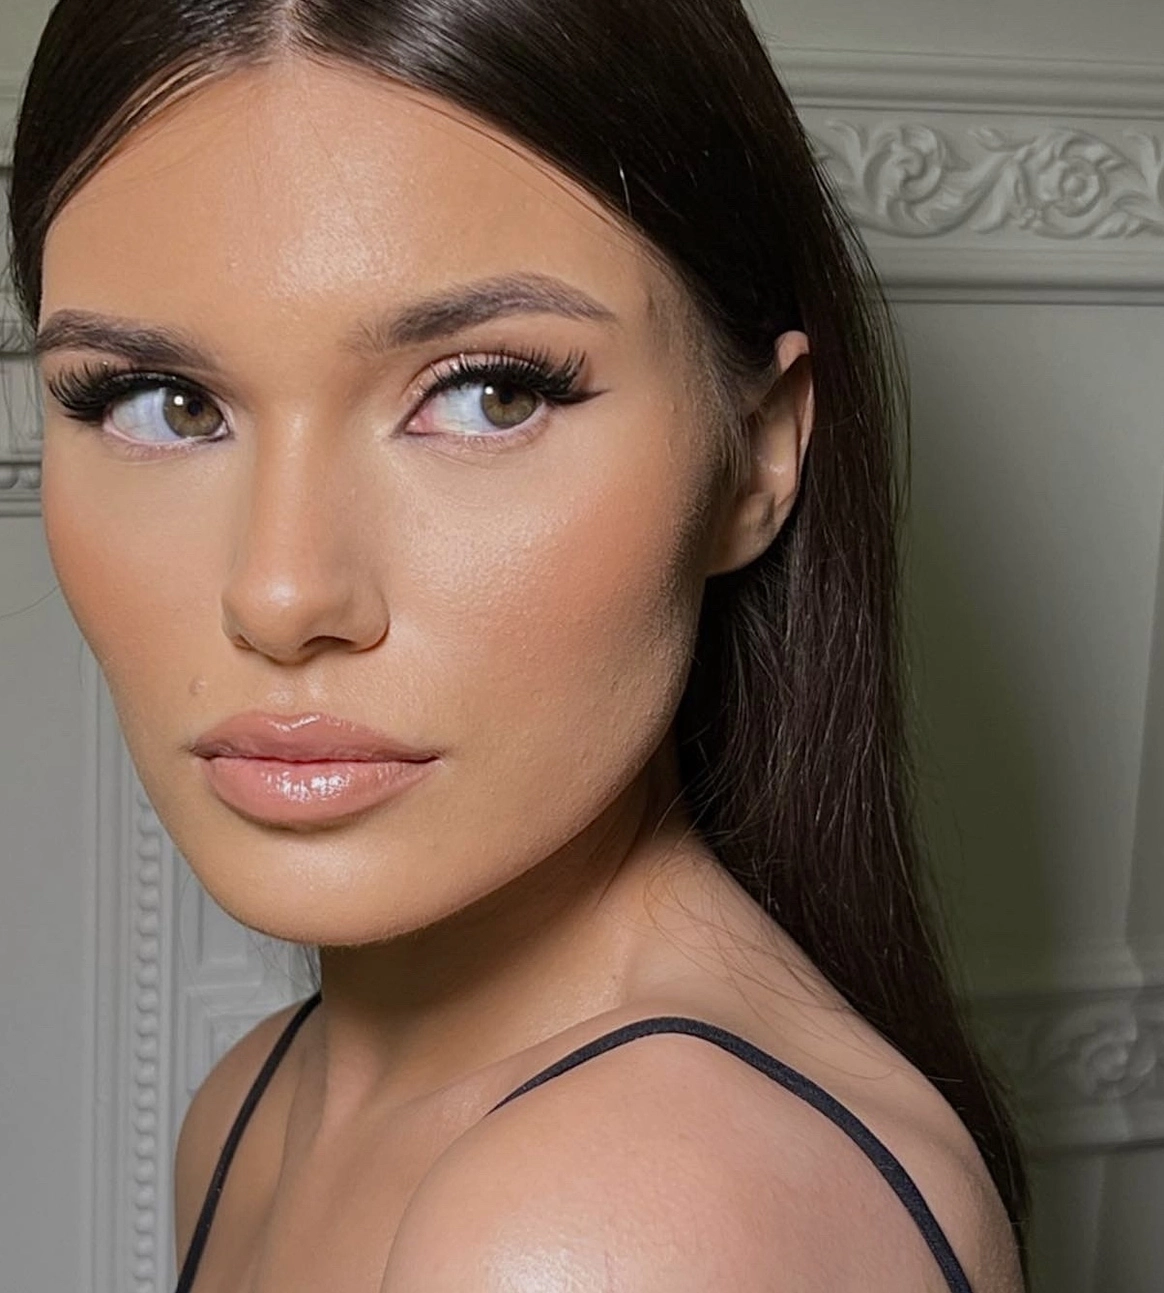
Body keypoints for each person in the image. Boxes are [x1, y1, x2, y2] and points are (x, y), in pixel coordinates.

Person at [8, 1, 1028, 1289]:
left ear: (759, 453)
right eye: (163, 404)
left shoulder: (602, 1228)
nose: (280, 595)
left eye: (489, 395)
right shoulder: (249, 1112)